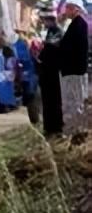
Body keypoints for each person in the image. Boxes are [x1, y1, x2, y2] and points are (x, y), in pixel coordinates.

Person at [59, 0, 89, 138]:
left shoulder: (79, 25)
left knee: (74, 102)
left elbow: (69, 47)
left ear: (74, 9)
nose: (65, 11)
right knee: (72, 101)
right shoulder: (76, 25)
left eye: (67, 8)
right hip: (72, 69)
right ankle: (73, 130)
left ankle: (75, 131)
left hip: (74, 70)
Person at [37, 8, 64, 136]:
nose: (43, 23)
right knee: (48, 101)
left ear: (50, 20)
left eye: (44, 20)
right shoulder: (51, 32)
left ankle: (55, 127)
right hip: (47, 72)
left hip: (52, 72)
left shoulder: (57, 32)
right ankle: (49, 127)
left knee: (53, 100)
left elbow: (50, 49)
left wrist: (40, 54)